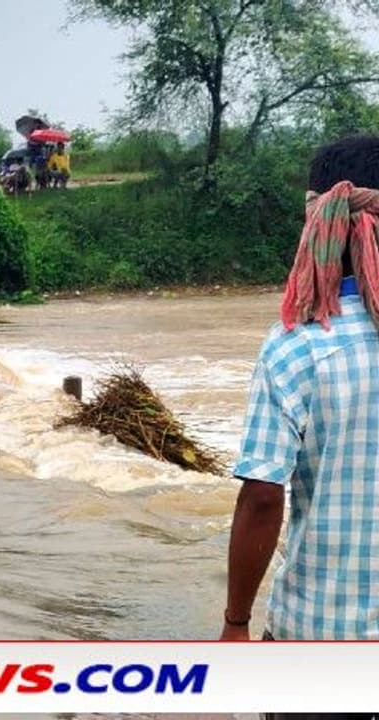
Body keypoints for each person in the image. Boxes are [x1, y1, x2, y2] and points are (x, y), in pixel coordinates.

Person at [223, 137, 379, 665]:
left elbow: (264, 497)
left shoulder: (297, 347)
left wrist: (235, 624)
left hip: (319, 637)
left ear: (318, 226)